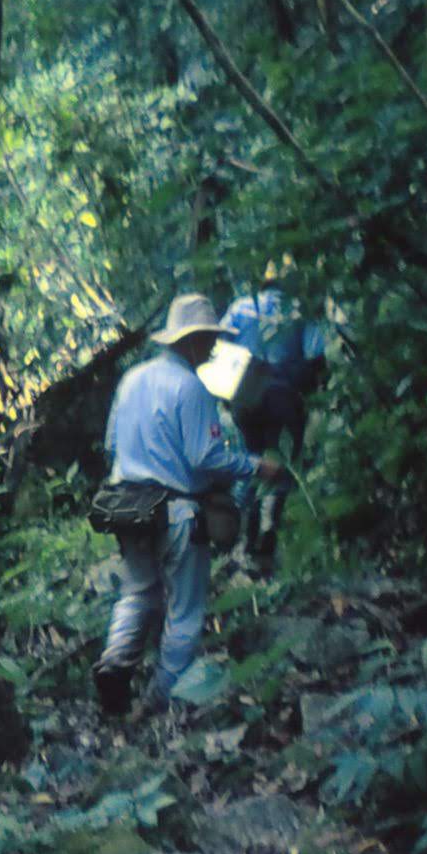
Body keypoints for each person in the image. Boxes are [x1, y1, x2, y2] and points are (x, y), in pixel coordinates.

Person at [93, 293, 282, 716]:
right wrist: (256, 466)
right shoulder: (191, 387)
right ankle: (161, 701)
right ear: (192, 340)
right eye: (210, 339)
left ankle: (115, 662)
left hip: (127, 506)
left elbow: (111, 445)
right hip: (177, 511)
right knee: (185, 612)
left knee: (137, 593)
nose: (215, 347)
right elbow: (205, 457)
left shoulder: (131, 380)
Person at [220, 272, 327, 567]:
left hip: (245, 397)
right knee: (282, 463)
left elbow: (217, 348)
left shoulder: (241, 307)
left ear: (263, 283)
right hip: (286, 396)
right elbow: (316, 355)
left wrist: (227, 398)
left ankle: (242, 536)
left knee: (249, 461)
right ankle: (268, 530)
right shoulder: (300, 311)